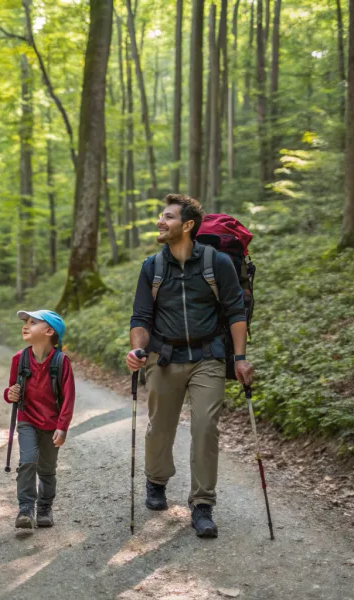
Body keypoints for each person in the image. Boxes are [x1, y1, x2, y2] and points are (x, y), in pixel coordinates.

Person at [126, 194, 255, 538]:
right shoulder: (152, 266)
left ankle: (202, 505)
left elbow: (235, 312)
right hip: (164, 358)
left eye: (167, 217)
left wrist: (239, 358)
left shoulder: (217, 263)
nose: (159, 221)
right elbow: (140, 317)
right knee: (160, 427)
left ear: (187, 225)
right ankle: (156, 481)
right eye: (160, 216)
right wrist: (138, 351)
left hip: (208, 358)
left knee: (205, 428)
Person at [4, 310, 75, 529]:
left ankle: (45, 507)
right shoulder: (19, 358)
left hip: (52, 424)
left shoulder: (62, 362)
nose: (26, 325)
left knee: (47, 468)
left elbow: (68, 398)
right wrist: (10, 394)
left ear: (49, 331)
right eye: (25, 322)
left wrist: (62, 427)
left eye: (32, 322)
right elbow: (11, 391)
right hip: (27, 419)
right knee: (27, 461)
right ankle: (26, 507)